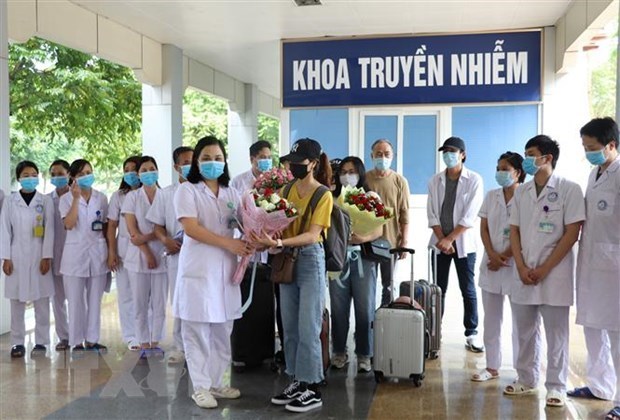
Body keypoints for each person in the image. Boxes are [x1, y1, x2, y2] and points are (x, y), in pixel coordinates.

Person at [253, 138, 333, 413]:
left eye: (299, 161)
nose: (292, 165)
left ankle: (312, 387)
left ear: (312, 163)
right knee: (289, 325)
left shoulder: (323, 194)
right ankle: (297, 380)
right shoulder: (287, 188)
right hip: (285, 259)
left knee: (309, 326)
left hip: (310, 259)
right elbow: (279, 221)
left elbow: (313, 234)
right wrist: (270, 234)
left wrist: (279, 244)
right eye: (290, 161)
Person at [505, 135, 585, 408]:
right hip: (524, 271)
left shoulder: (569, 189)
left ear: (547, 158)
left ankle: (556, 386)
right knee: (524, 331)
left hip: (555, 273)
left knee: (556, 334)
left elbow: (572, 232)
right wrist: (521, 266)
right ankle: (526, 379)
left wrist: (544, 269)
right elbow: (514, 230)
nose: (526, 159)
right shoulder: (521, 192)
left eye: (530, 154)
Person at [174, 136, 253, 409]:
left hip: (226, 271)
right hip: (198, 269)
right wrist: (229, 243)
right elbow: (191, 228)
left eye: (218, 158)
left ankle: (218, 382)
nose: (213, 163)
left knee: (222, 328)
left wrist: (259, 234)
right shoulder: (188, 191)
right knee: (196, 330)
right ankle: (200, 387)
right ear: (197, 161)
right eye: (206, 158)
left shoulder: (232, 193)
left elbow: (245, 224)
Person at [570, 117, 620, 420]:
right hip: (592, 264)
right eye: (585, 147)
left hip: (614, 268)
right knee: (593, 329)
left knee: (617, 334)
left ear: (611, 145)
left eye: (592, 148)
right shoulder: (594, 172)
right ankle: (600, 386)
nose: (588, 152)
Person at [471, 152, 525, 382]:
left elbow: (524, 231)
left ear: (518, 172)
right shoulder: (491, 196)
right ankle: (492, 367)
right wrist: (493, 255)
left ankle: (523, 371)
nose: (500, 173)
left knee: (521, 322)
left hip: (515, 265)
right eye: (498, 168)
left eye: (505, 168)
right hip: (491, 264)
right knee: (491, 320)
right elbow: (483, 228)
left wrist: (504, 255)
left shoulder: (526, 195)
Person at [427, 136, 484, 352]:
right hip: (440, 244)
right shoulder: (435, 181)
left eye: (452, 151)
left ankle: (472, 333)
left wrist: (450, 239)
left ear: (463, 154)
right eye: (445, 151)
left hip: (463, 244)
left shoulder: (474, 180)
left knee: (467, 289)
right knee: (438, 289)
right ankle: (434, 331)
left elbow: (470, 215)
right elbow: (432, 213)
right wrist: (442, 239)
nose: (448, 155)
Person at [330, 156, 380, 373]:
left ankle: (364, 353)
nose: (347, 175)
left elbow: (380, 229)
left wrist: (363, 238)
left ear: (360, 173)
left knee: (364, 308)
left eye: (352, 171)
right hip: (338, 260)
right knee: (338, 308)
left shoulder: (370, 197)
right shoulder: (331, 198)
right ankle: (339, 351)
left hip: (363, 260)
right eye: (343, 171)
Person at [1, 161, 54, 358]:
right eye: (26, 174)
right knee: (16, 303)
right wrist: (5, 257)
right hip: (15, 256)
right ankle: (17, 343)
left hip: (39, 254)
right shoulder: (10, 201)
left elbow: (50, 230)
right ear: (19, 178)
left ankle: (40, 342)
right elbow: (5, 230)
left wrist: (47, 256)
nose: (30, 178)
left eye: (34, 174)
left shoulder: (45, 201)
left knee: (41, 301)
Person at [146, 145, 193, 363]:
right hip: (176, 255)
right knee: (180, 300)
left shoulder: (205, 190)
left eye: (194, 161)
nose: (190, 166)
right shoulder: (166, 194)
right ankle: (180, 346)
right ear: (176, 167)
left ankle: (200, 346)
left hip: (202, 254)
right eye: (185, 162)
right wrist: (166, 241)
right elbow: (157, 225)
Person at [60, 159, 110, 352]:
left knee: (95, 300)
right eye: (81, 174)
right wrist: (75, 198)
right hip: (74, 255)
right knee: (75, 300)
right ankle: (76, 340)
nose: (86, 176)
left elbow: (105, 227)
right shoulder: (65, 199)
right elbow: (69, 224)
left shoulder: (101, 198)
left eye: (88, 172)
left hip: (98, 253)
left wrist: (110, 252)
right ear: (72, 178)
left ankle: (92, 339)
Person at [122, 156, 167, 355]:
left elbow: (168, 227)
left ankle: (155, 339)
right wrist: (148, 250)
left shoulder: (165, 196)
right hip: (139, 257)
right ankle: (142, 340)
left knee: (159, 303)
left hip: (162, 256)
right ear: (138, 175)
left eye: (152, 169)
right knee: (139, 302)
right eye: (144, 170)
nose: (149, 173)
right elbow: (133, 233)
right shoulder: (132, 197)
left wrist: (148, 236)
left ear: (157, 171)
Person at [365, 139, 410, 306]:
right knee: (367, 287)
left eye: (386, 154)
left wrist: (403, 242)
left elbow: (404, 214)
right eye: (378, 154)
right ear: (371, 156)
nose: (382, 157)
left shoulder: (400, 181)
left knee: (388, 286)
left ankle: (385, 318)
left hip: (390, 243)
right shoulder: (365, 179)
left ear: (393, 157)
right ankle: (369, 323)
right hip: (367, 243)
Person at [106, 156, 142, 351]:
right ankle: (131, 335)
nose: (130, 173)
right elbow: (111, 226)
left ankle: (146, 333)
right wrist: (112, 252)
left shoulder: (152, 194)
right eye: (126, 169)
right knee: (126, 294)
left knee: (147, 296)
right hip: (123, 251)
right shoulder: (118, 196)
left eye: (133, 169)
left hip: (147, 251)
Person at [49, 159, 71, 351]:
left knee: (77, 299)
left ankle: (80, 334)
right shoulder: (46, 200)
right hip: (54, 256)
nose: (57, 177)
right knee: (57, 300)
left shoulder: (76, 197)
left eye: (61, 174)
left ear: (69, 175)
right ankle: (64, 337)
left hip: (75, 255)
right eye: (53, 174)